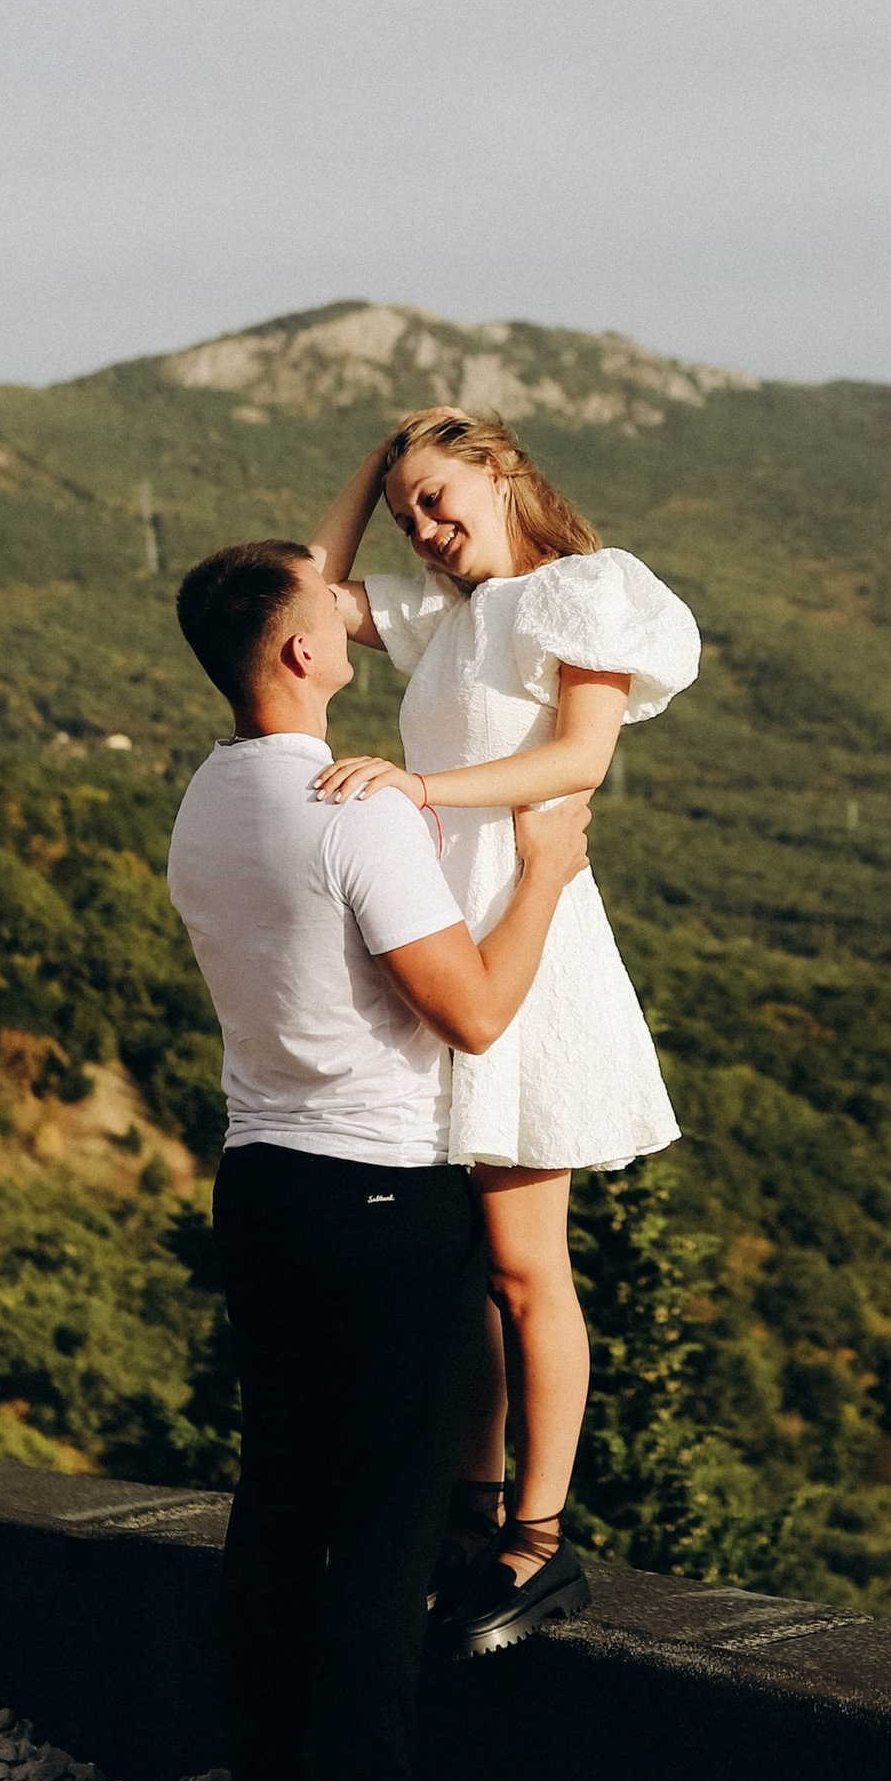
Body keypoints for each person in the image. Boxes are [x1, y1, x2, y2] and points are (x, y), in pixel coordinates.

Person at [167, 535, 594, 1781]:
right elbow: (471, 1010)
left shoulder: (208, 801)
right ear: (298, 652)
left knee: (279, 1512)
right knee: (392, 1530)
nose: (352, 611)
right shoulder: (356, 816)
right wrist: (541, 867)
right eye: (329, 604)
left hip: (261, 1188)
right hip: (375, 1197)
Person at [308, 410, 700, 1654]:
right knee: (459, 1267)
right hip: (442, 944)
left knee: (530, 1266)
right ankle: (472, 1515)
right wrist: (365, 476)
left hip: (530, 942)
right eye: (406, 508)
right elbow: (303, 604)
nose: (425, 528)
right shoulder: (443, 615)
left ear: (501, 471)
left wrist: (417, 786)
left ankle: (538, 1539)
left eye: (437, 497)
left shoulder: (582, 592)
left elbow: (579, 756)